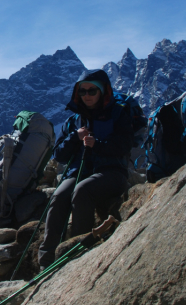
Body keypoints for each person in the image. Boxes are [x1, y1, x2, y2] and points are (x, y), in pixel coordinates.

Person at [37, 70, 133, 268]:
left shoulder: (118, 114)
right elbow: (59, 155)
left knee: (82, 192)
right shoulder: (74, 121)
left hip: (112, 172)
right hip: (79, 172)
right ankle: (45, 263)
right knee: (58, 197)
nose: (87, 96)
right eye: (82, 92)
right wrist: (75, 137)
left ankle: (78, 252)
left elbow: (124, 145)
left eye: (92, 91)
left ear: (102, 91)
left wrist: (97, 144)